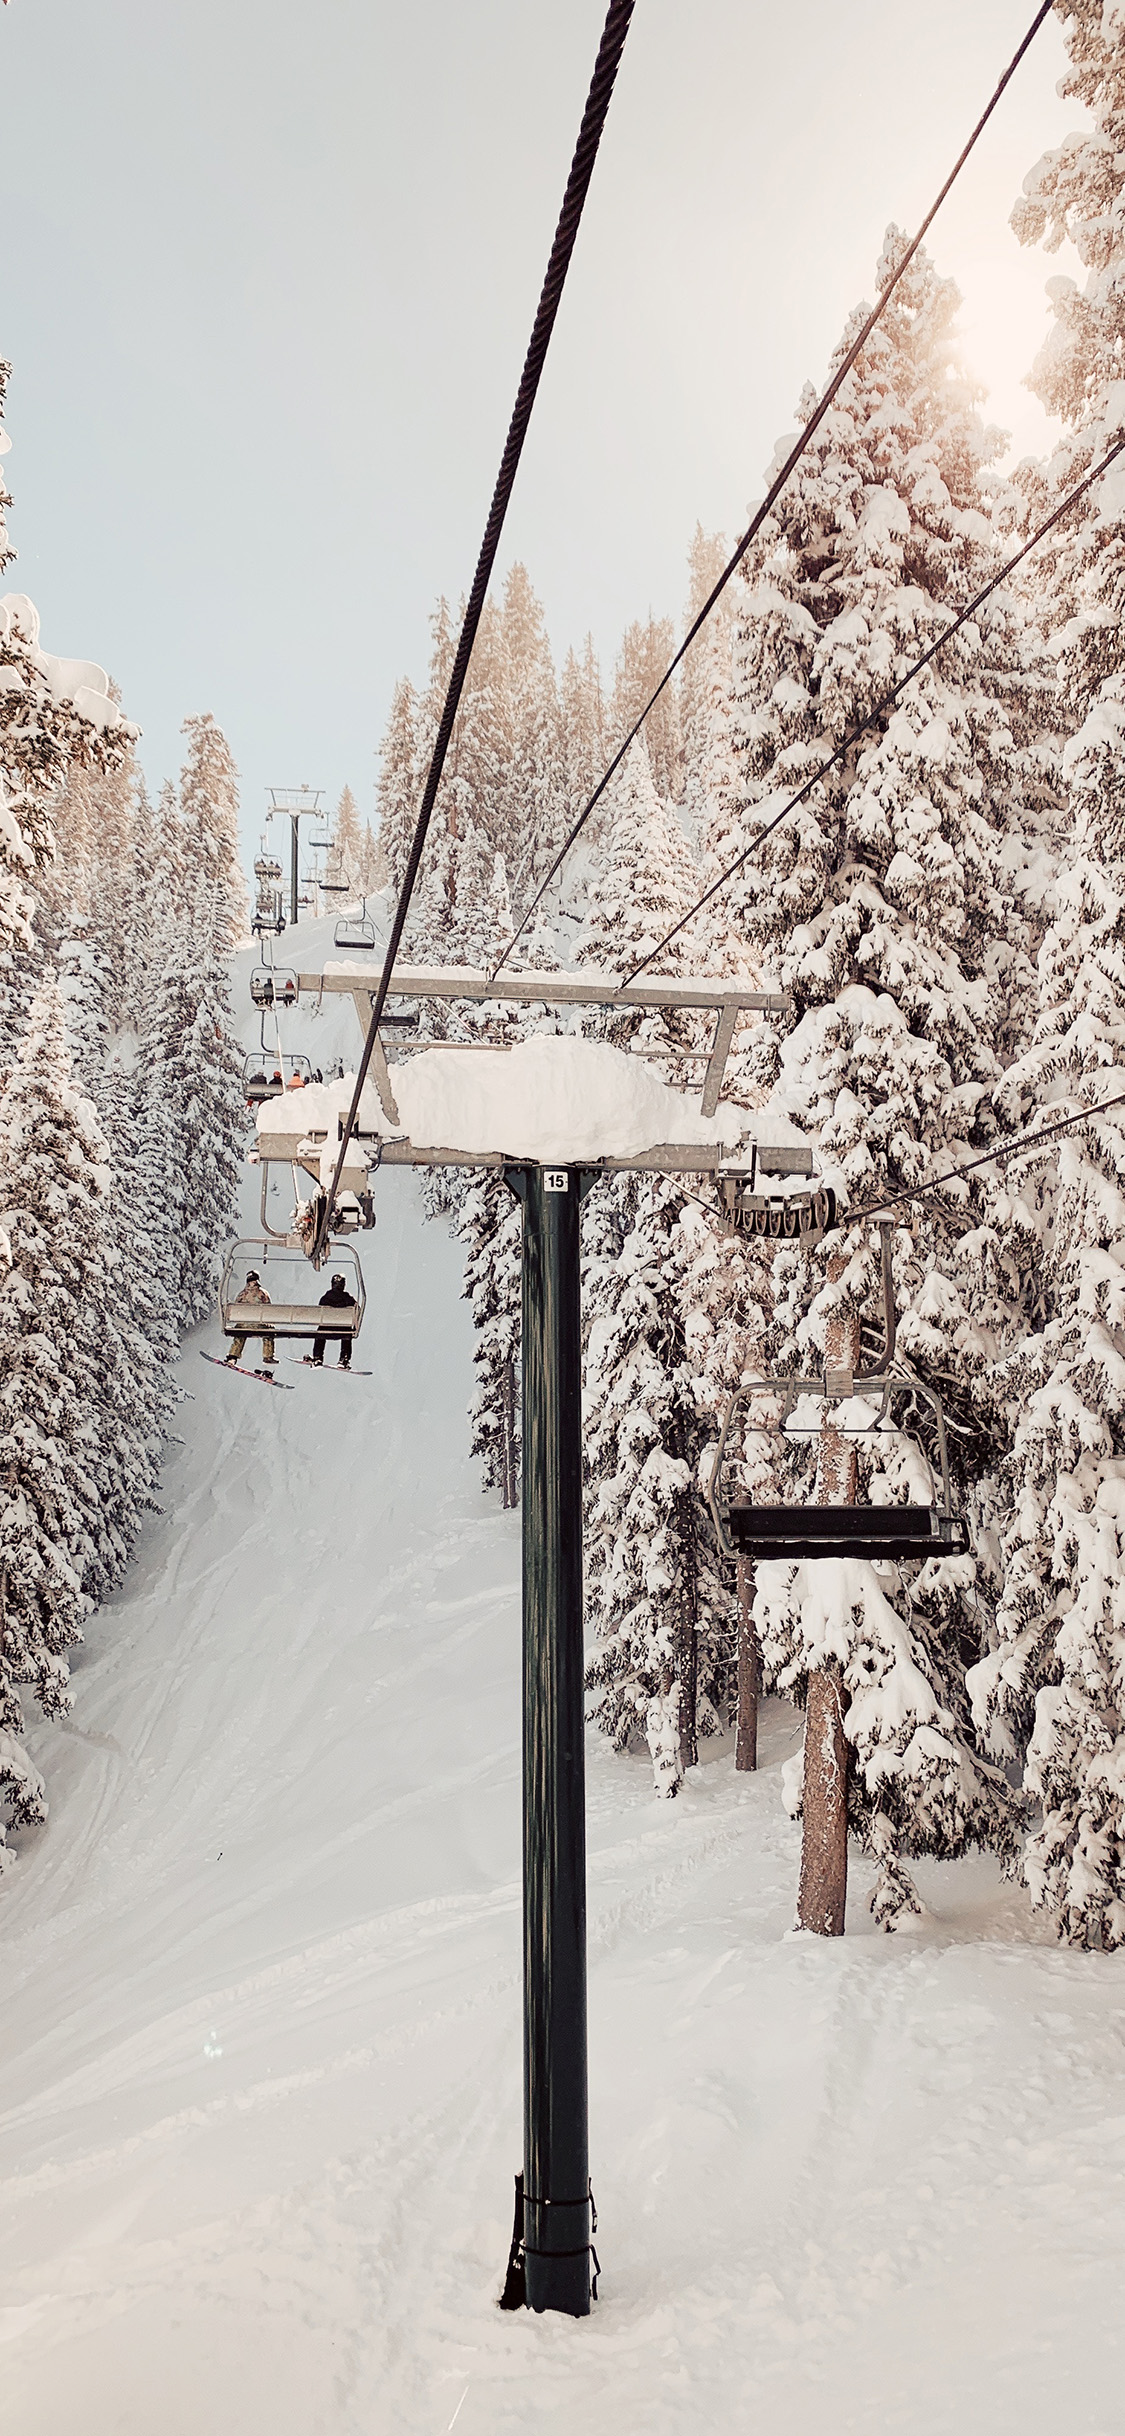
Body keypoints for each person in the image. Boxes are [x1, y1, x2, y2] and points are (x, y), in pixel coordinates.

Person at [226, 1270, 275, 1368]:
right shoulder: (262, 1293)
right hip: (259, 1325)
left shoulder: (241, 1294)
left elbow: (237, 1309)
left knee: (240, 1333)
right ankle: (268, 1356)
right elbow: (268, 1310)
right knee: (269, 1332)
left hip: (244, 1324)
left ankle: (233, 1356)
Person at [310, 1271, 355, 1369]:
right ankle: (344, 1359)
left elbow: (319, 1312)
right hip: (343, 1331)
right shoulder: (348, 1298)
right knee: (348, 1333)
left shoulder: (325, 1298)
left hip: (326, 1331)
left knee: (320, 1333)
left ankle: (318, 1357)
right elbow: (356, 1310)